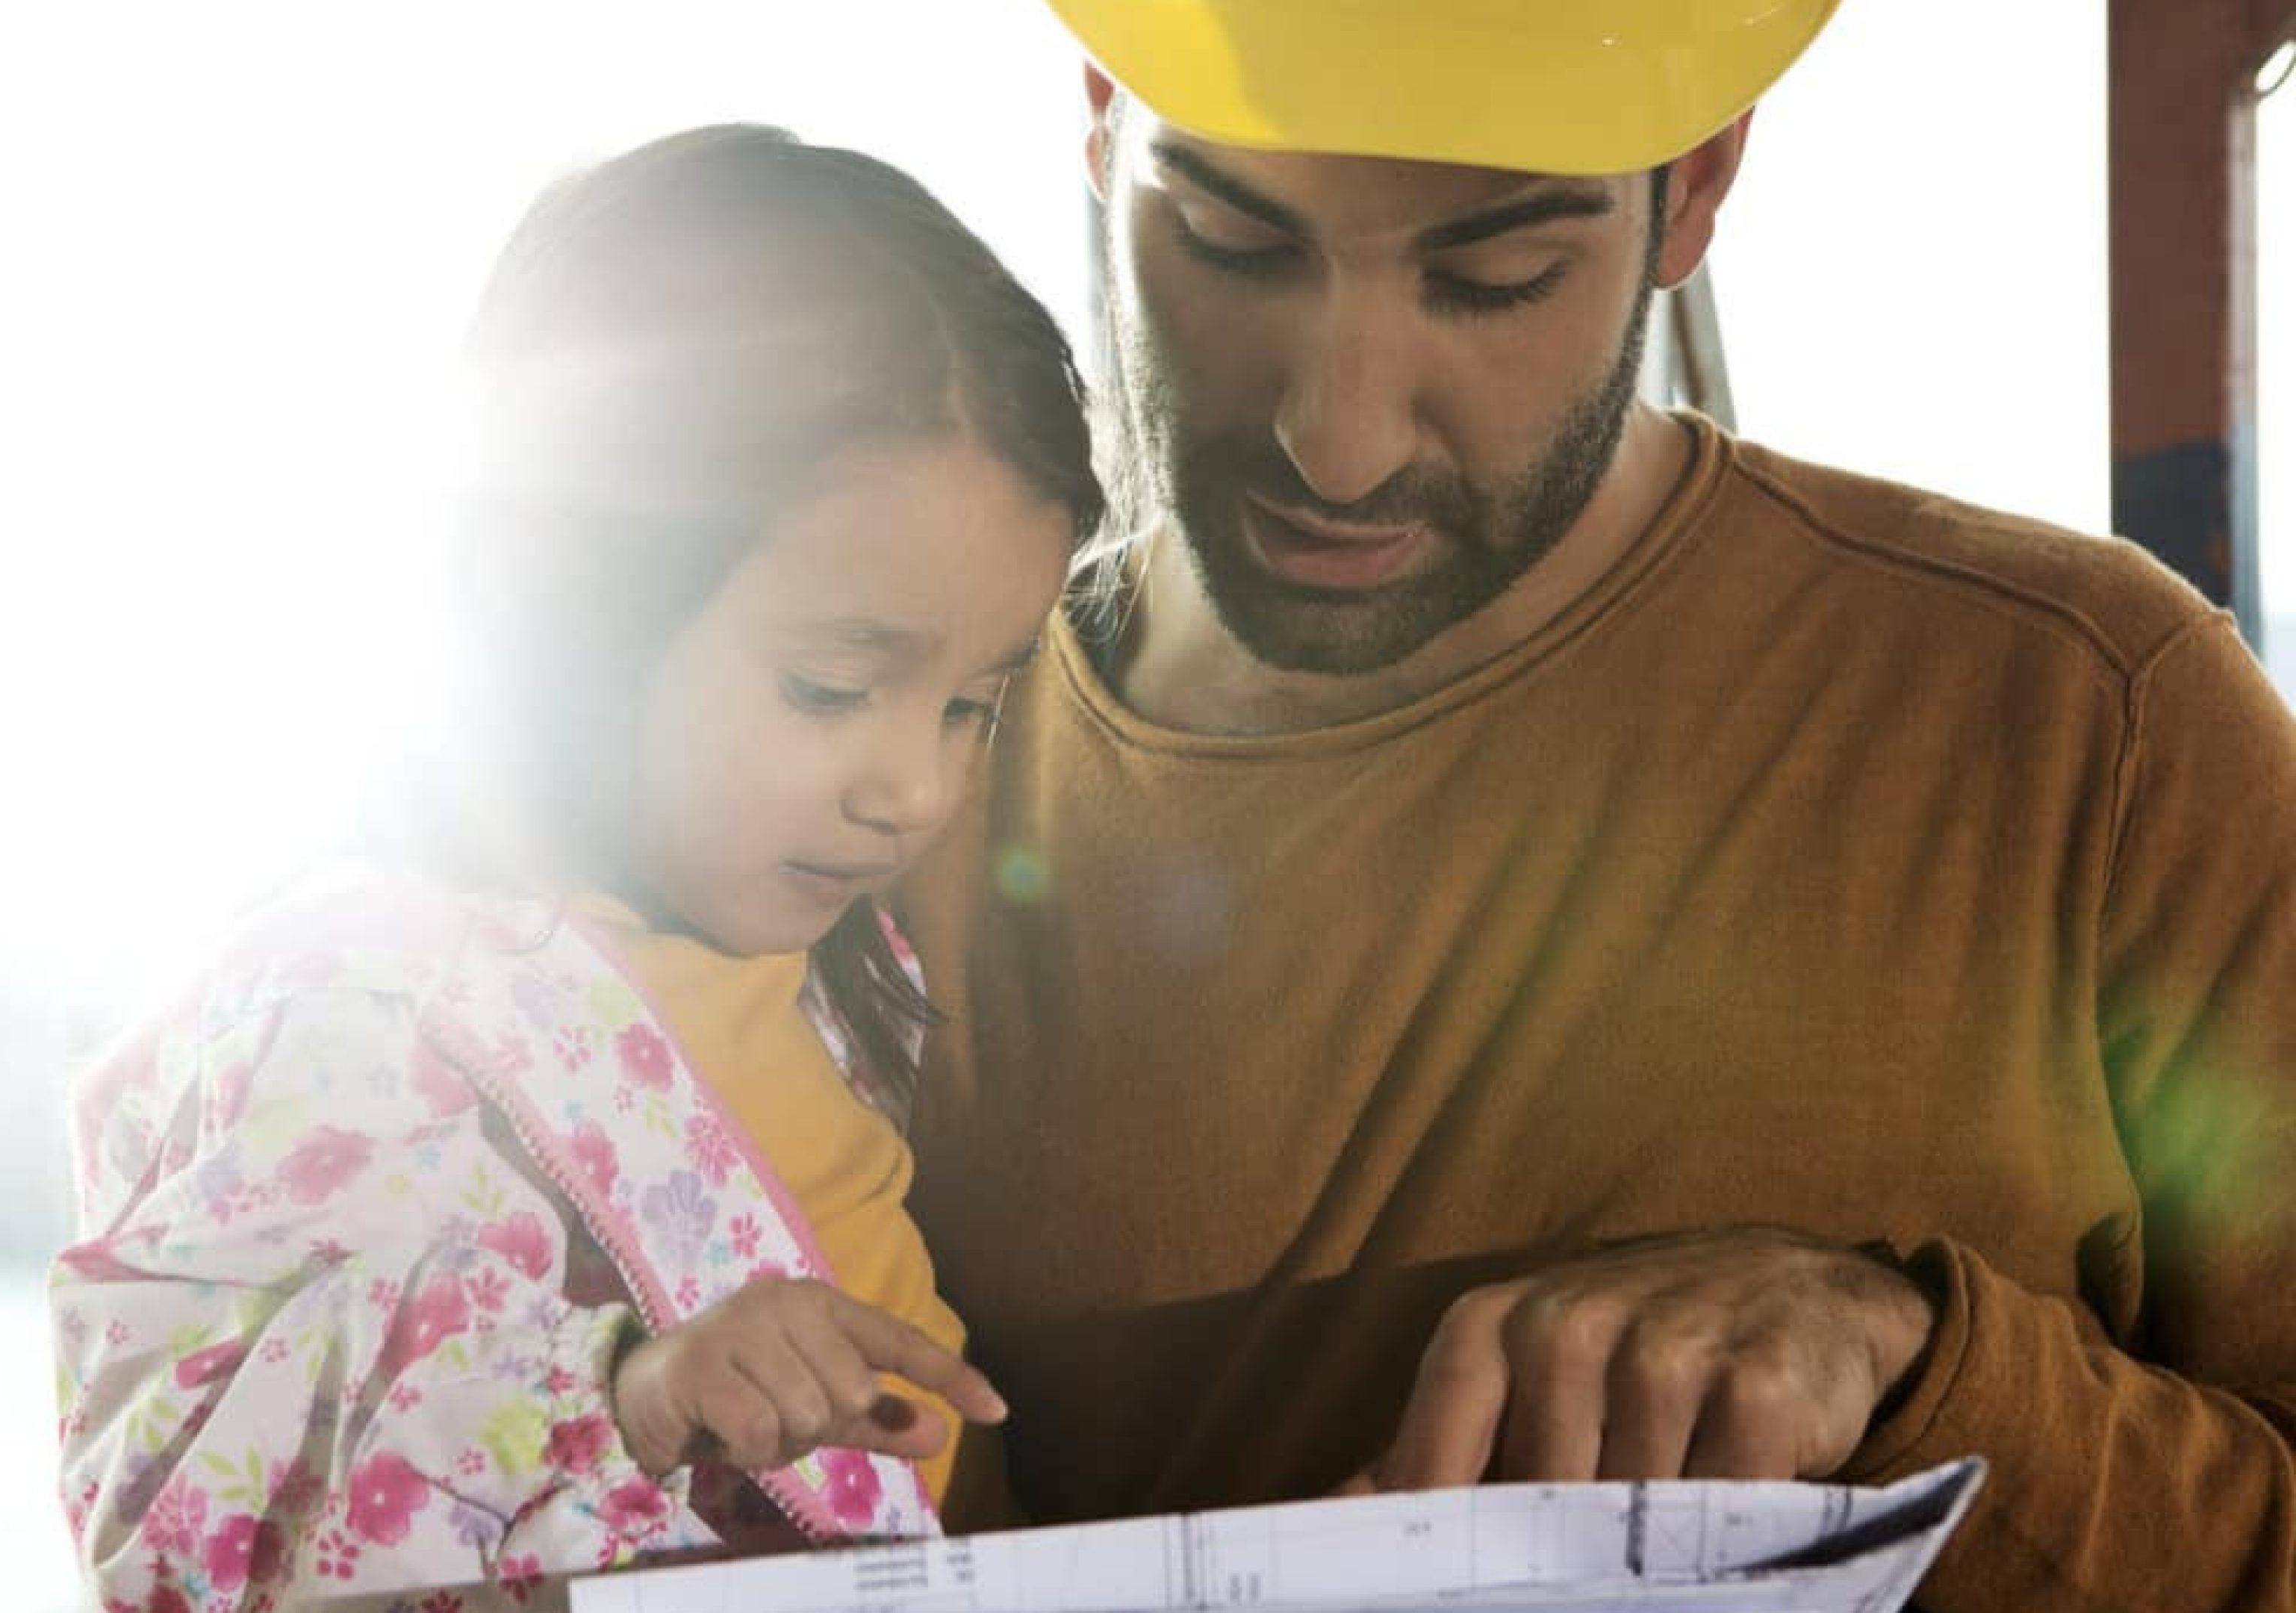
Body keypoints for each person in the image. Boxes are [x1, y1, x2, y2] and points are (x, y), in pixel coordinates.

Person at [893, 3, 2296, 1609]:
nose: (1333, 442)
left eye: (1492, 281)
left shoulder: (2091, 729)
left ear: (1692, 188)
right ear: (1098, 120)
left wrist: (1920, 1382)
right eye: (1228, 240)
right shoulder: (881, 804)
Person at [49, 123, 1104, 1609]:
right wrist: (639, 1391)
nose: (914, 788)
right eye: (829, 688)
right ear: (568, 594)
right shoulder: (362, 1011)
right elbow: (197, 1506)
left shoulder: (816, 962)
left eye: (971, 705)